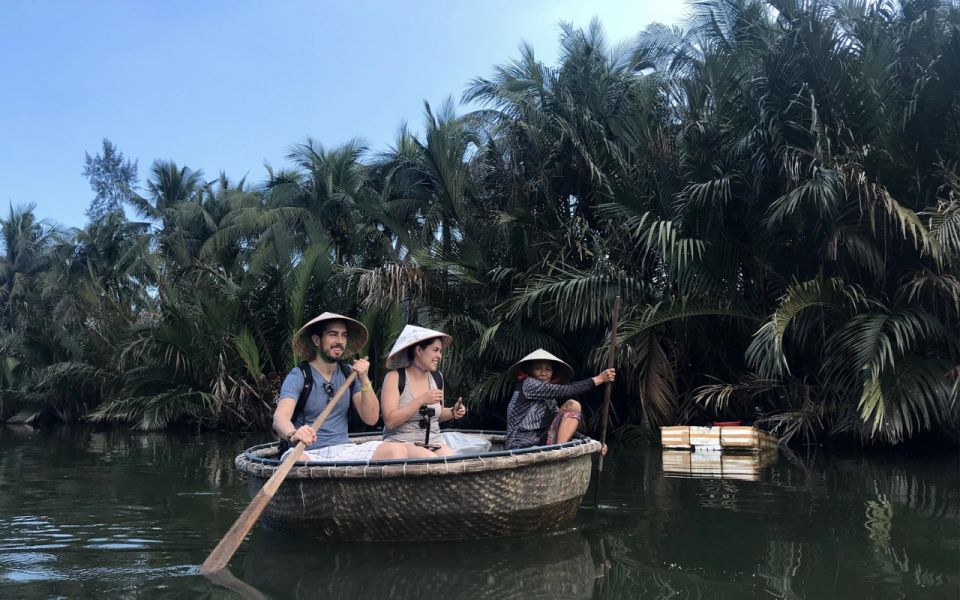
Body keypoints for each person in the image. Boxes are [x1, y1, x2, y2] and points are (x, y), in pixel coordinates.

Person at [273, 312, 413, 461]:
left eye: (344, 335)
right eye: (333, 334)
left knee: (396, 450)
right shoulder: (300, 375)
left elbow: (371, 418)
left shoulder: (349, 374)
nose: (340, 341)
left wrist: (364, 380)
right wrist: (293, 434)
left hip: (343, 450)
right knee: (297, 460)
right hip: (307, 452)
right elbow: (280, 418)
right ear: (316, 340)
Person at [380, 325, 467, 457]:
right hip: (402, 442)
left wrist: (452, 412)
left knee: (452, 461)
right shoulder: (394, 378)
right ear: (419, 351)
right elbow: (390, 421)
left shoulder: (437, 377)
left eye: (440, 351)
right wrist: (421, 400)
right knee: (430, 459)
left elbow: (437, 414)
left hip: (433, 441)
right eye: (435, 350)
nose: (440, 356)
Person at [504, 349, 615, 451]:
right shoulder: (528, 384)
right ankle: (558, 452)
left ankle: (558, 451)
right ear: (530, 371)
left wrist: (591, 441)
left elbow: (562, 422)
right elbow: (566, 390)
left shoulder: (549, 399)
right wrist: (599, 379)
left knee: (573, 406)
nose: (543, 374)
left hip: (540, 444)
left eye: (548, 369)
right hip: (518, 445)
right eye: (538, 369)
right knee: (573, 404)